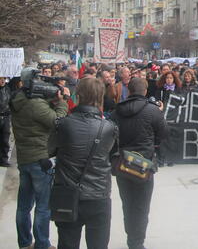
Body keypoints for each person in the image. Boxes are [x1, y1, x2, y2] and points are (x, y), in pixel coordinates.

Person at [52, 77, 118, 249]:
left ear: (78, 95)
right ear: (100, 97)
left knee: (67, 243)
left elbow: (50, 150)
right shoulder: (109, 127)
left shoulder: (63, 124)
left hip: (68, 194)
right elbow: (112, 156)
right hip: (98, 195)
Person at [11, 67, 68, 249]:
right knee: (43, 206)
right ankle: (42, 244)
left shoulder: (18, 99)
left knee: (24, 206)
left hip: (24, 159)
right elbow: (58, 121)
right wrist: (62, 102)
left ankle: (25, 242)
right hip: (40, 160)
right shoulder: (35, 105)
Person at [113, 77, 168, 249]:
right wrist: (160, 113)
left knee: (127, 204)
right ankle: (137, 242)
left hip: (123, 163)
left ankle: (132, 238)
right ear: (145, 91)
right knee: (141, 206)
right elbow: (164, 134)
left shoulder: (117, 111)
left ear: (129, 91)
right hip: (143, 164)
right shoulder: (153, 111)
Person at [0, 77, 11, 167]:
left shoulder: (8, 89)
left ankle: (4, 159)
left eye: (4, 78)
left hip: (6, 117)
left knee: (5, 139)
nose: (2, 80)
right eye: (0, 78)